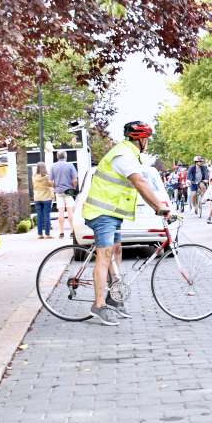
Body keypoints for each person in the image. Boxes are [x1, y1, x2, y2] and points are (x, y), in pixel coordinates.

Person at [79, 121, 171, 326]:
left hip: (112, 212)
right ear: (142, 140)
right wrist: (158, 207)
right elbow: (139, 183)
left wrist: (156, 206)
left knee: (117, 251)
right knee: (104, 255)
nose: (147, 142)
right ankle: (99, 305)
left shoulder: (130, 154)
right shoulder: (123, 155)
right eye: (147, 139)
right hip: (101, 212)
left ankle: (113, 298)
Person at [49, 151, 79, 239]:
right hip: (68, 191)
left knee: (60, 212)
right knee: (70, 212)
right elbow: (75, 180)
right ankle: (72, 232)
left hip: (58, 192)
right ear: (66, 156)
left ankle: (61, 233)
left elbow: (50, 181)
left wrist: (55, 187)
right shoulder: (70, 165)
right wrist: (74, 187)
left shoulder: (53, 166)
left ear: (57, 157)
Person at [32, 162, 55, 239]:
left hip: (37, 198)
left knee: (39, 216)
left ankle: (40, 234)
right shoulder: (47, 177)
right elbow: (52, 185)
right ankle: (47, 234)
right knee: (46, 216)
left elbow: (34, 186)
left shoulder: (34, 177)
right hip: (46, 198)